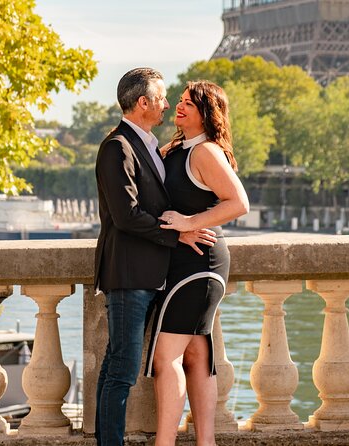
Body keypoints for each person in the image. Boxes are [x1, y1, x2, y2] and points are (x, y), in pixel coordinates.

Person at [93, 68, 217, 446]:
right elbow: (125, 215)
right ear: (143, 103)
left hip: (151, 275)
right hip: (130, 275)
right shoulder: (118, 147)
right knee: (123, 370)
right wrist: (179, 231)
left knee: (117, 366)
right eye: (162, 98)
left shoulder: (149, 145)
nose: (167, 105)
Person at [144, 80, 249, 446]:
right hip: (184, 261)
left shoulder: (205, 152)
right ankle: (206, 442)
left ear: (208, 113)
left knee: (165, 355)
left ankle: (165, 443)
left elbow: (238, 203)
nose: (180, 106)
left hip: (199, 264)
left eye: (190, 103)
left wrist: (190, 224)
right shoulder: (175, 148)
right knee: (195, 353)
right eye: (182, 101)